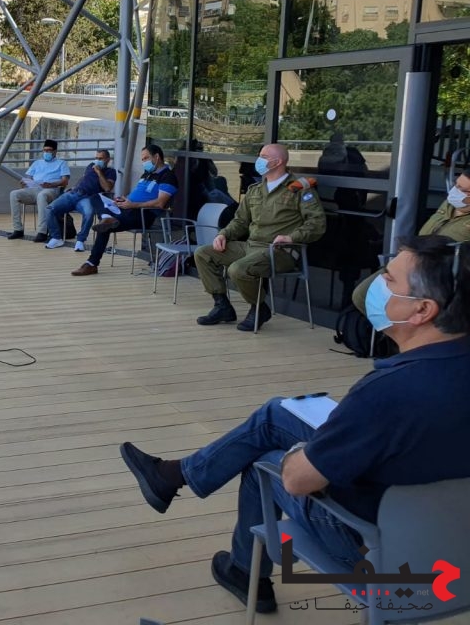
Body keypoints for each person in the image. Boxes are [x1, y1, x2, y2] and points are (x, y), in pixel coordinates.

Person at [118, 235, 470, 614]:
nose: (377, 285)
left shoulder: (387, 392)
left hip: (381, 554)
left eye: (388, 279)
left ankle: (244, 569)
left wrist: (302, 452)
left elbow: (298, 481)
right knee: (278, 413)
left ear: (422, 310)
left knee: (264, 462)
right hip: (457, 548)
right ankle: (174, 476)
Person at [194, 144, 326, 331]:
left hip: (280, 251)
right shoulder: (255, 189)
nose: (259, 159)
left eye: (263, 156)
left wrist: (291, 237)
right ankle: (222, 306)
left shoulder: (300, 189)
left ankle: (258, 308)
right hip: (251, 246)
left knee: (238, 269)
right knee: (203, 253)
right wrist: (223, 234)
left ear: (277, 162)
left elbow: (317, 223)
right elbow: (240, 221)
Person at [352, 167, 470, 313]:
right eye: (456, 184)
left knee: (393, 307)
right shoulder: (450, 203)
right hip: (410, 260)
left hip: (432, 275)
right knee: (363, 295)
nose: (456, 191)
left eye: (464, 190)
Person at [71, 144, 178, 276]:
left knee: (105, 227)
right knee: (95, 197)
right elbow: (137, 194)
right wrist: (124, 199)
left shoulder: (168, 177)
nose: (144, 162)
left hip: (143, 215)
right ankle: (106, 217)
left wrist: (132, 205)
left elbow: (161, 203)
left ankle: (91, 264)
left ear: (156, 157)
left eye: (146, 158)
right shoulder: (147, 174)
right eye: (142, 159)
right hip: (127, 208)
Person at [44, 149, 116, 250]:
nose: (97, 160)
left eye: (100, 159)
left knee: (89, 213)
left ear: (107, 160)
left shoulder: (111, 172)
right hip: (73, 193)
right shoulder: (90, 166)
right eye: (96, 158)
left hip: (88, 197)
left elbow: (107, 188)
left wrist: (99, 172)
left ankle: (80, 240)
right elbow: (84, 178)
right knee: (49, 209)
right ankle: (56, 237)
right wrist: (74, 186)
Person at [7, 139, 70, 243]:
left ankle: (42, 232)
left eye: (49, 150)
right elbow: (29, 178)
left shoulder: (62, 163)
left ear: (55, 151)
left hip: (52, 190)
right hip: (35, 189)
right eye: (44, 150)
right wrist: (25, 183)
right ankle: (18, 229)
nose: (46, 153)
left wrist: (51, 184)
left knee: (42, 195)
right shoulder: (37, 163)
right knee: (14, 194)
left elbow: (65, 181)